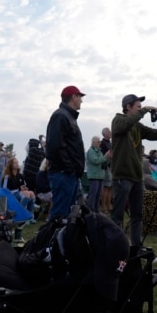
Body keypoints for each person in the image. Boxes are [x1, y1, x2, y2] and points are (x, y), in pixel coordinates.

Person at [110, 94, 157, 246]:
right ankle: (116, 248)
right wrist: (144, 111)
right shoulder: (118, 120)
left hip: (137, 178)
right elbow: (125, 125)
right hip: (122, 176)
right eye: (137, 106)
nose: (140, 109)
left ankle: (136, 246)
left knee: (138, 215)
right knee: (117, 216)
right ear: (128, 107)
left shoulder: (136, 126)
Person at [45, 85, 86, 220]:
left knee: (68, 213)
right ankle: (51, 240)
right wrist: (70, 168)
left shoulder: (68, 116)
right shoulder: (61, 116)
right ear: (74, 97)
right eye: (80, 97)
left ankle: (63, 240)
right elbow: (56, 146)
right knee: (60, 214)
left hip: (69, 174)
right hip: (63, 174)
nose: (81, 100)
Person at [1, 157, 36, 221]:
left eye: (17, 162)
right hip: (10, 195)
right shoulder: (7, 176)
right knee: (27, 194)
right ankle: (19, 215)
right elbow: (4, 190)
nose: (17, 164)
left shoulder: (20, 175)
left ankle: (29, 216)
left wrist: (24, 188)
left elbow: (22, 186)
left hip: (18, 194)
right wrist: (19, 189)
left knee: (31, 193)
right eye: (15, 163)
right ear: (10, 165)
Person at [86, 136, 107, 212]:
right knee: (93, 195)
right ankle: (91, 211)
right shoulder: (91, 151)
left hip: (100, 176)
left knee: (98, 195)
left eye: (100, 142)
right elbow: (95, 161)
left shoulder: (100, 151)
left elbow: (102, 162)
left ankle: (96, 211)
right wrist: (105, 157)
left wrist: (108, 158)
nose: (100, 143)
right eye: (98, 142)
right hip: (94, 176)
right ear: (94, 142)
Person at [100, 127, 114, 214]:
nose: (111, 133)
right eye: (109, 132)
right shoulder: (103, 143)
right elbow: (103, 156)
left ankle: (109, 205)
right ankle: (104, 206)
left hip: (112, 166)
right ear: (105, 134)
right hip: (106, 167)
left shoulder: (110, 143)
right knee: (106, 187)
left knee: (111, 187)